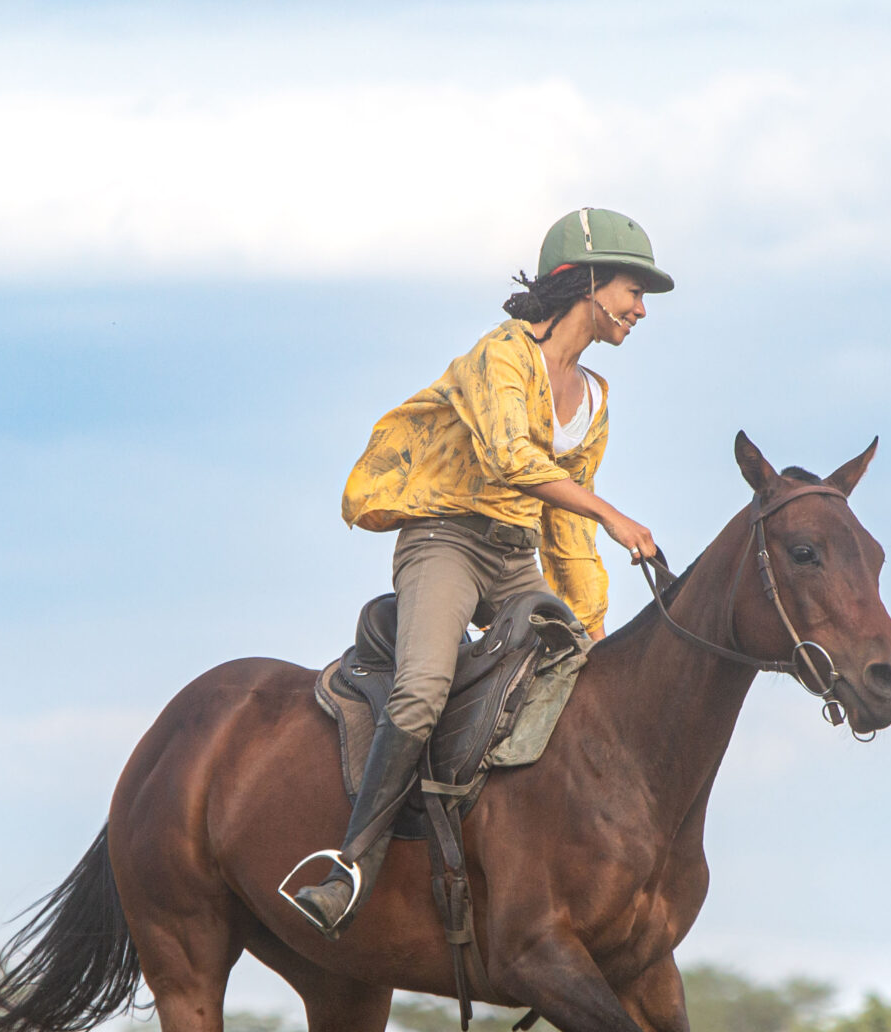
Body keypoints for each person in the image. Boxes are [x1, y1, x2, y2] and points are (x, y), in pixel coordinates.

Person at [287, 208, 671, 934]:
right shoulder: (498, 356)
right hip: (445, 542)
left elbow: (564, 524)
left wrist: (587, 624)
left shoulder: (597, 398)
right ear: (587, 282)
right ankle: (352, 869)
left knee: (572, 684)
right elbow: (509, 460)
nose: (641, 310)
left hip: (514, 555)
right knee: (424, 691)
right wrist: (616, 514)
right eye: (632, 290)